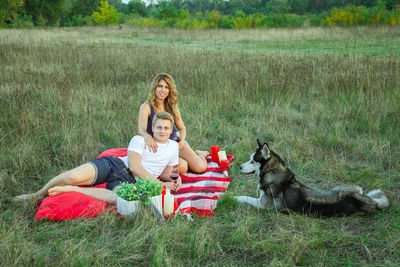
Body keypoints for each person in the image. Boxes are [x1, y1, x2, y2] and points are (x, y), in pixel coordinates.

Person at [14, 112, 181, 204]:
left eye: (166, 128)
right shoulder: (139, 139)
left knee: (119, 199)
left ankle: (74, 189)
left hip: (131, 183)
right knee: (72, 176)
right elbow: (135, 166)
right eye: (159, 127)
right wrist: (158, 183)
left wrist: (175, 179)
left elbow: (167, 171)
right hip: (114, 165)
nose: (163, 130)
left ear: (171, 129)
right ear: (152, 128)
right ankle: (37, 194)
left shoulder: (173, 147)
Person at [138, 73, 209, 174]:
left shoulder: (171, 106)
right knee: (183, 167)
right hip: (159, 146)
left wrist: (182, 141)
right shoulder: (146, 106)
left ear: (170, 90)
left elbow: (182, 128)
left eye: (166, 87)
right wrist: (147, 136)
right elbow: (141, 129)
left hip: (175, 143)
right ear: (155, 87)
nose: (163, 90)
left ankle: (200, 154)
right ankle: (183, 162)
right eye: (160, 86)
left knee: (200, 167)